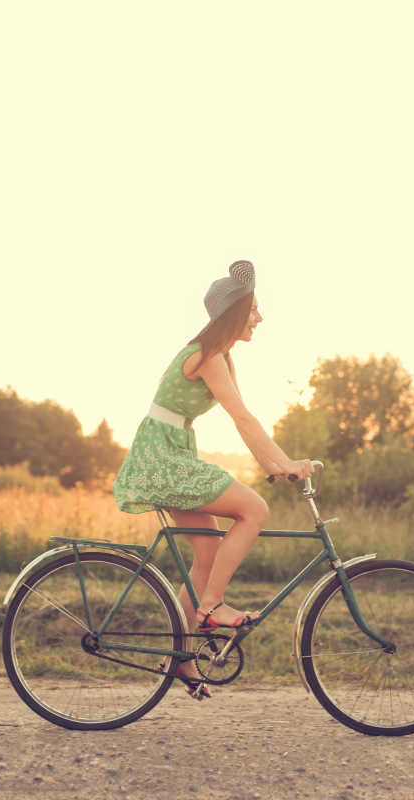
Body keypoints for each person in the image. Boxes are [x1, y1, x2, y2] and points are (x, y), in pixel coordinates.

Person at [112, 260, 313, 697]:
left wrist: (275, 463)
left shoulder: (219, 356)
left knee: (207, 558)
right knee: (255, 509)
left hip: (172, 451)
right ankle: (212, 607)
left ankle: (179, 660)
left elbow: (245, 419)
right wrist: (285, 463)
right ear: (235, 314)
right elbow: (243, 418)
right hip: (164, 457)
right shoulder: (208, 356)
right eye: (254, 310)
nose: (259, 318)